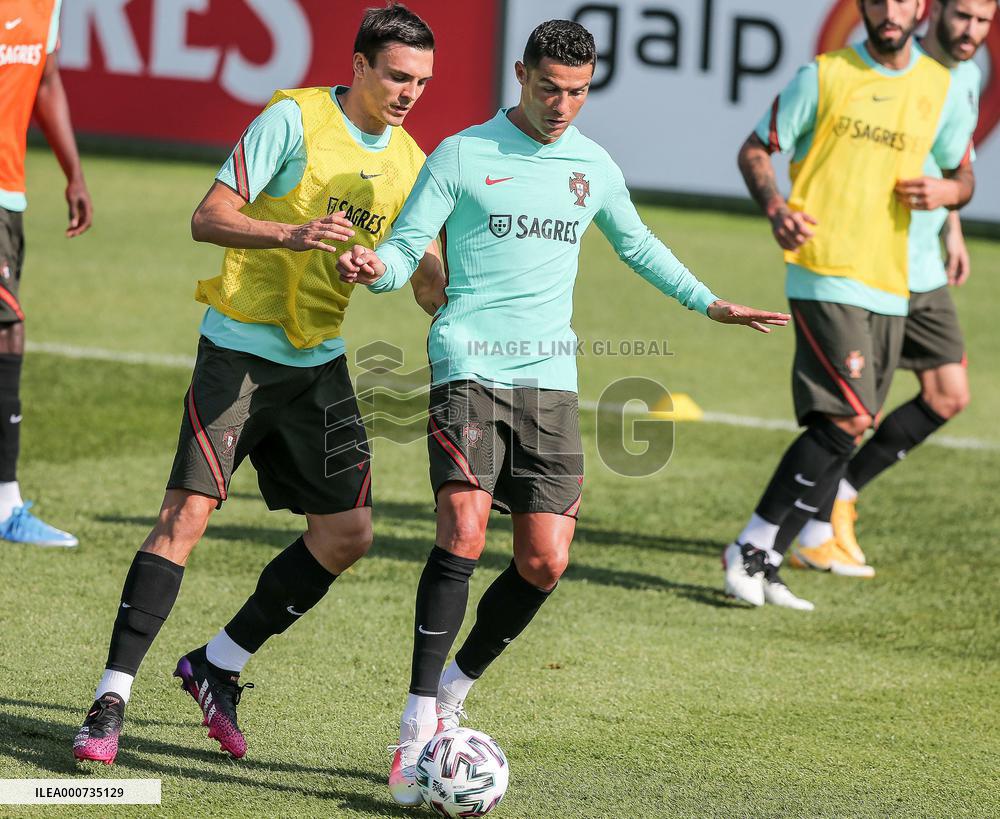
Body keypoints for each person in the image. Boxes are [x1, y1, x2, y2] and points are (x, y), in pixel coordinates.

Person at [337, 19, 789, 806]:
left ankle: (451, 689)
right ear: (521, 74)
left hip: (550, 381)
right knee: (464, 530)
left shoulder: (592, 166)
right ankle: (415, 730)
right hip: (468, 363)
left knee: (544, 561)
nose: (561, 106)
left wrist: (709, 303)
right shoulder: (462, 154)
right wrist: (377, 269)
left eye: (577, 92)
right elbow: (407, 252)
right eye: (549, 88)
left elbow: (638, 244)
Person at [72, 3, 444, 766]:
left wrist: (411, 266)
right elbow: (207, 218)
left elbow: (427, 287)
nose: (410, 94)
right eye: (398, 77)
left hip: (319, 365)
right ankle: (109, 698)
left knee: (348, 534)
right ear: (360, 68)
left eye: (422, 82)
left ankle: (218, 663)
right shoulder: (291, 120)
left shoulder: (411, 162)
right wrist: (291, 232)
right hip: (238, 354)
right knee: (185, 516)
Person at [725, 0, 976, 609]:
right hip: (825, 270)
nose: (889, 11)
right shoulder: (825, 74)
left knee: (852, 420)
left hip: (893, 280)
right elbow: (756, 148)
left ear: (921, 8)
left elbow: (962, 176)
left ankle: (773, 557)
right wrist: (778, 209)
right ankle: (752, 546)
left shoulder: (940, 88)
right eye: (877, 0)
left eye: (901, 1)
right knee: (847, 415)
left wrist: (948, 192)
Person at [789, 0, 994, 575]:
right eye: (962, 17)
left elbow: (952, 165)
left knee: (949, 394)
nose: (971, 31)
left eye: (984, 21)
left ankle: (842, 495)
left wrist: (951, 219)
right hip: (875, 264)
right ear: (935, 11)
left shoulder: (968, 75)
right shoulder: (904, 67)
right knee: (858, 409)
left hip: (924, 266)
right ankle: (811, 527)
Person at [0, 0, 92, 547]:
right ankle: (5, 502)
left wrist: (73, 172)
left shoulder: (47, 4)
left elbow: (46, 80)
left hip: (10, 196)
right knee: (8, 327)